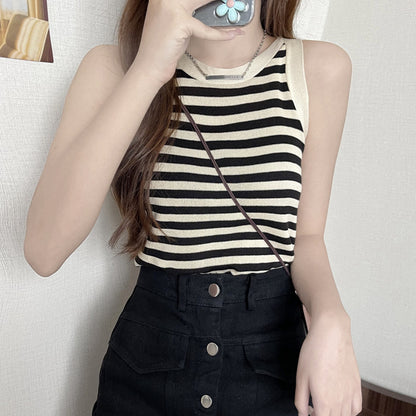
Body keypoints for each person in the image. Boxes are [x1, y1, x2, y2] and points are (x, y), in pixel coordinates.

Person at [24, 0, 362, 415]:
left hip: (272, 358)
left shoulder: (319, 69)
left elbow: (306, 238)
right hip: (148, 361)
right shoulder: (114, 68)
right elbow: (43, 251)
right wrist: (149, 68)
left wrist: (332, 318)